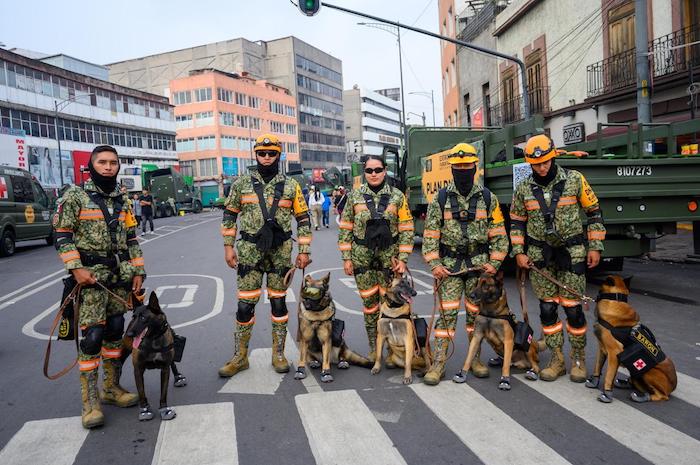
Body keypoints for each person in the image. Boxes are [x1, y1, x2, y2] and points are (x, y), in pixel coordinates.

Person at [53, 145, 145, 429]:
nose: (108, 167)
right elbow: (62, 234)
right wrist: (76, 268)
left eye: (113, 163)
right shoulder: (74, 196)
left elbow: (131, 238)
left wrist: (139, 271)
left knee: (116, 331)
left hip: (118, 277)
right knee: (92, 338)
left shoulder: (123, 198)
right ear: (91, 166)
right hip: (89, 279)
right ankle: (90, 401)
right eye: (102, 162)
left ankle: (111, 388)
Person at [510, 134, 605, 383]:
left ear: (553, 157)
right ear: (530, 164)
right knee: (547, 309)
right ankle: (556, 359)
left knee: (573, 310)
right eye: (536, 164)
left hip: (572, 252)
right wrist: (519, 252)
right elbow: (517, 223)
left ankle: (578, 358)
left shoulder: (575, 180)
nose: (541, 168)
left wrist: (595, 247)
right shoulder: (523, 189)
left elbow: (594, 213)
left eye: (545, 162)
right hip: (539, 255)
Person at [218, 134, 312, 377]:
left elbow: (303, 219)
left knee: (279, 303)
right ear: (256, 155)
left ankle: (278, 353)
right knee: (244, 306)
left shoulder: (291, 186)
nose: (267, 157)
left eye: (272, 153)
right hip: (249, 253)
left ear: (278, 156)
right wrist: (228, 246)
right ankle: (240, 356)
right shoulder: (241, 184)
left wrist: (304, 251)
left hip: (280, 254)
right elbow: (229, 215)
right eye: (262, 153)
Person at [421, 143, 509, 385]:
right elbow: (430, 237)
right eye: (457, 167)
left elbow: (500, 235)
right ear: (451, 169)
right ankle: (438, 364)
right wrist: (434, 264)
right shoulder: (439, 198)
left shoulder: (488, 198)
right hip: (449, 268)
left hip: (479, 268)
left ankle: (476, 360)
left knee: (475, 318)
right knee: (446, 318)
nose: (462, 171)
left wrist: (495, 263)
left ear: (475, 167)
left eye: (466, 166)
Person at [338, 155, 414, 360]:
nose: (373, 174)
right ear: (364, 172)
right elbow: (346, 228)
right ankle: (375, 348)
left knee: (390, 307)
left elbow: (407, 229)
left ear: (385, 170)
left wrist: (404, 259)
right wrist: (346, 258)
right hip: (362, 260)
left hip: (390, 262)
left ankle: (392, 350)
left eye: (378, 170)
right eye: (369, 170)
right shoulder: (354, 196)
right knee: (370, 307)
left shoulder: (398, 196)